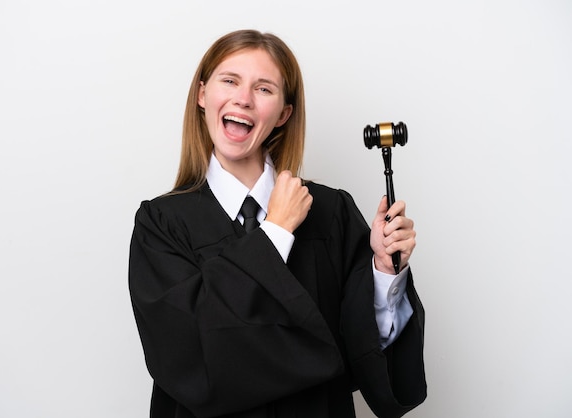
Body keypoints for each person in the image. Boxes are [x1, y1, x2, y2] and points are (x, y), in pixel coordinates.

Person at [129, 29, 426, 418]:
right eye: (230, 80)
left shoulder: (329, 211)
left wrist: (385, 273)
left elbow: (361, 351)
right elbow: (185, 354)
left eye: (264, 89)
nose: (243, 98)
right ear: (203, 95)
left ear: (284, 113)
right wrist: (277, 231)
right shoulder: (162, 223)